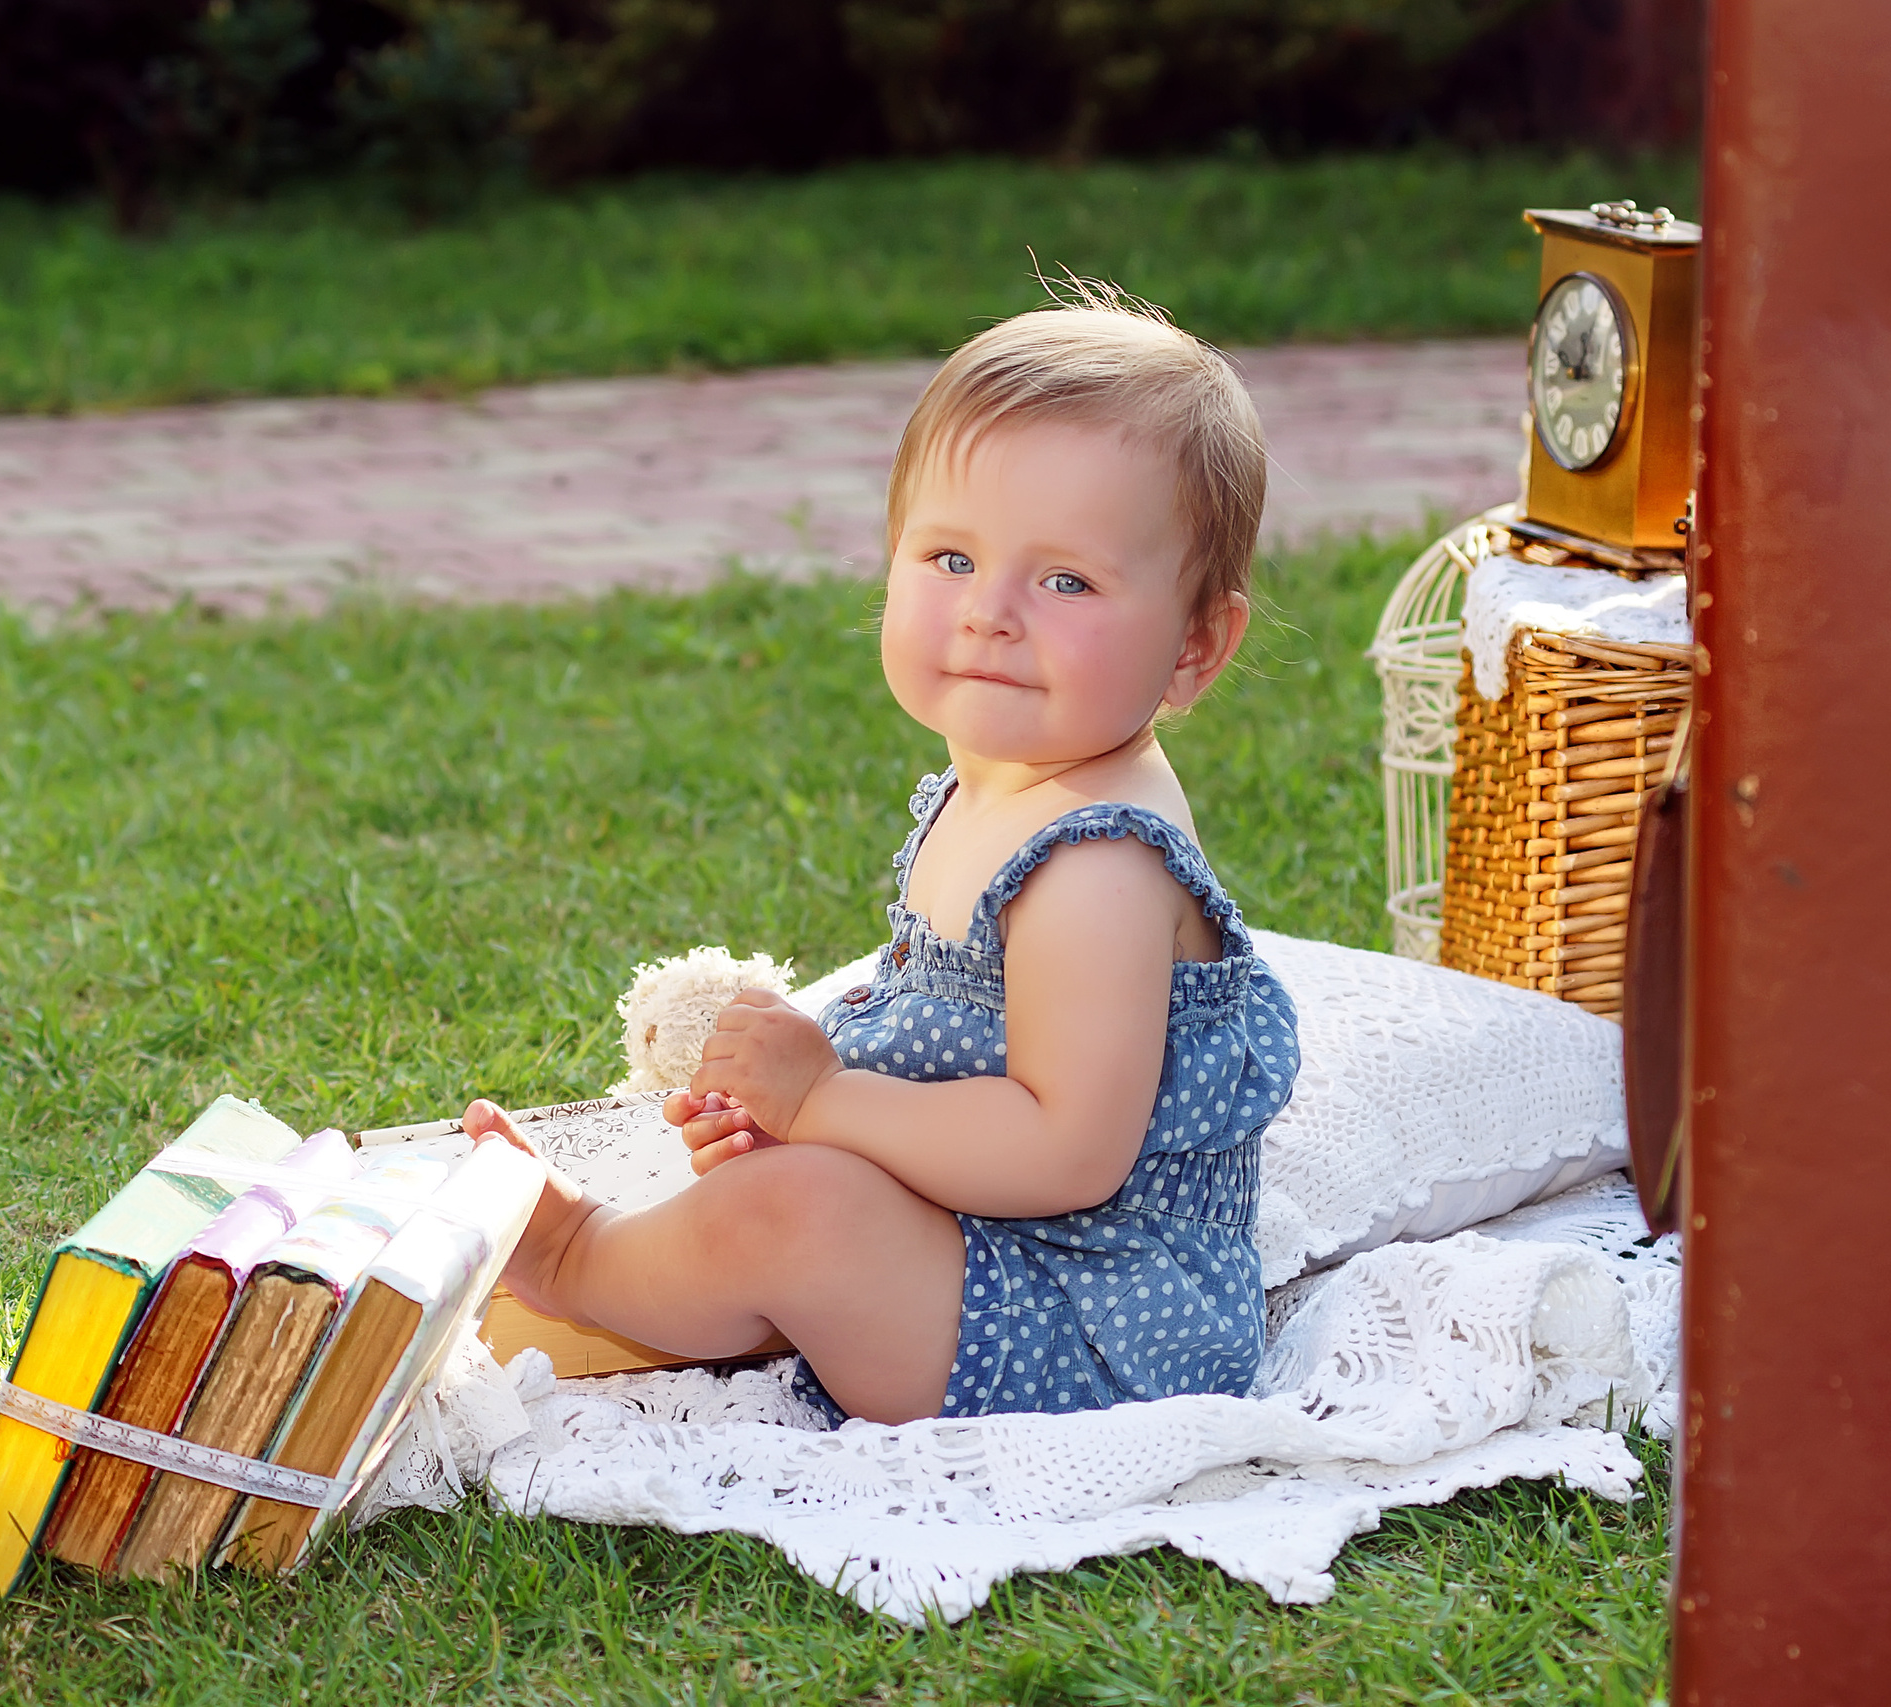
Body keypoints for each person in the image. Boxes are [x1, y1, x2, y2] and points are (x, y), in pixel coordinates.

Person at [466, 279, 1301, 1426]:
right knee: (793, 1183)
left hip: (1083, 1327)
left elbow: (1063, 1154)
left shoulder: (1096, 870)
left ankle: (576, 1266)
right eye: (950, 559)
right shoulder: (1004, 778)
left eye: (1066, 580)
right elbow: (956, 1058)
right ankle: (695, 1280)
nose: (990, 612)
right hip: (984, 1249)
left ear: (1194, 647)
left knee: (799, 1209)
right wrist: (810, 1097)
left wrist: (823, 1103)